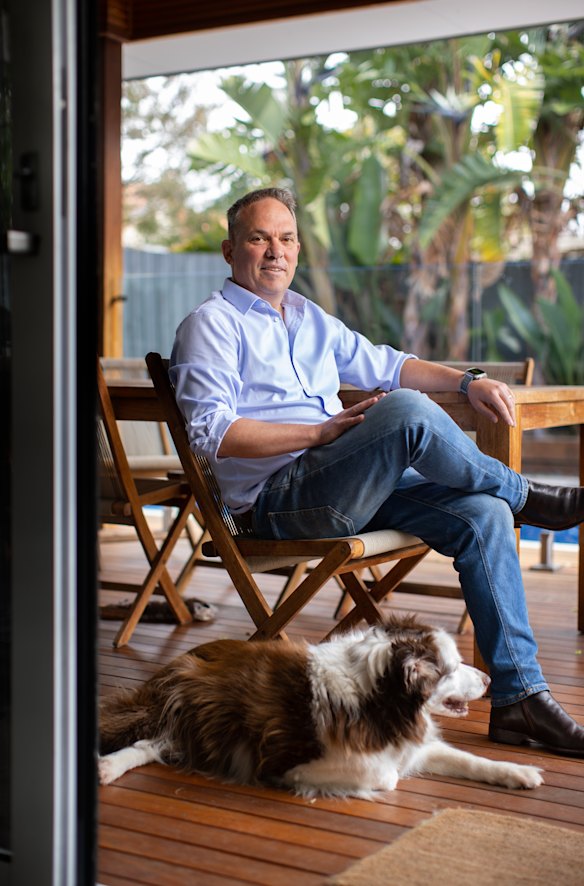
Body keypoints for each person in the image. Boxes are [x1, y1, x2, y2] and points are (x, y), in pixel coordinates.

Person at [171, 186, 584, 757]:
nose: (275, 251)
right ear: (229, 250)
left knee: (483, 512)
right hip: (278, 502)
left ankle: (520, 699)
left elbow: (391, 365)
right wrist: (318, 433)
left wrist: (467, 381)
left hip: (344, 487)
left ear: (298, 249)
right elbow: (212, 434)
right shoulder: (211, 325)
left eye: (286, 238)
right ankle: (528, 498)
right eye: (259, 238)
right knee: (407, 412)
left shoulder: (311, 318)